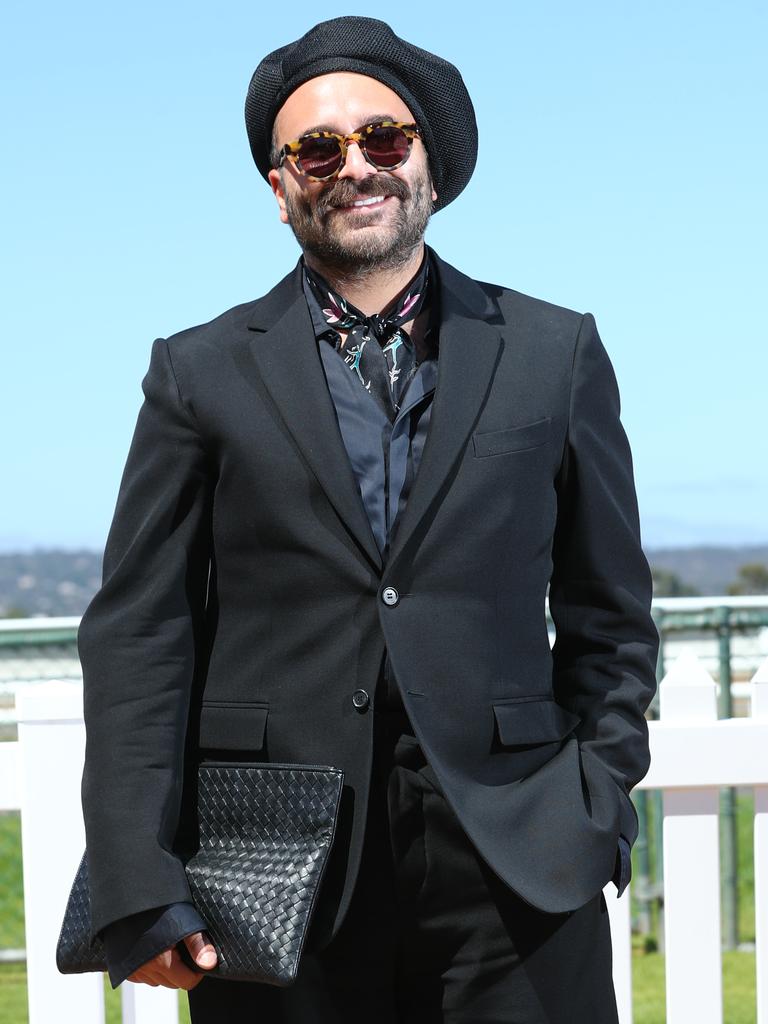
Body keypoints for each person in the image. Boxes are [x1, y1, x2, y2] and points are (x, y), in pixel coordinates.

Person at [77, 16, 659, 1023]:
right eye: (316, 148)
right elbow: (140, 637)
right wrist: (139, 875)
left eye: (384, 138)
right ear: (279, 185)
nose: (356, 167)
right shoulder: (198, 371)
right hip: (272, 875)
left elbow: (612, 617)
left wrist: (594, 806)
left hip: (519, 867)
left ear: (426, 163)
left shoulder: (554, 353)